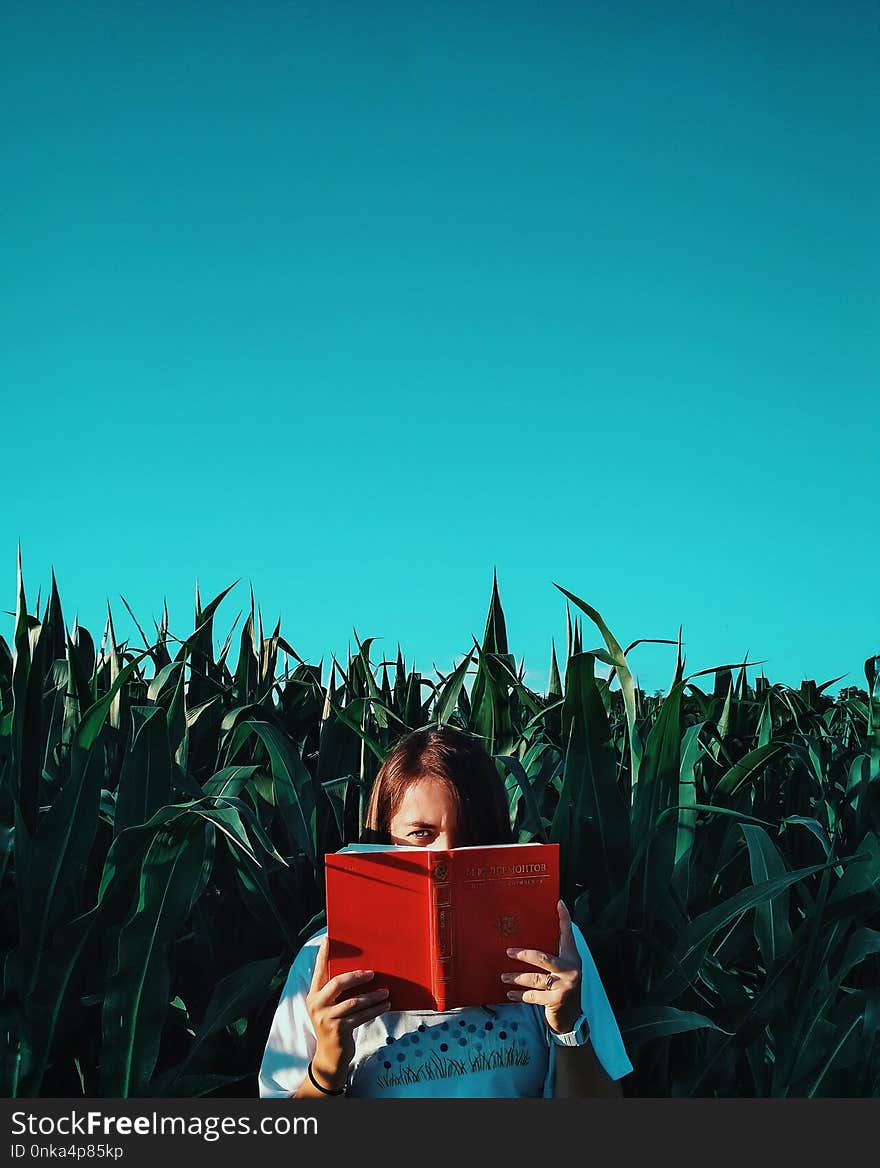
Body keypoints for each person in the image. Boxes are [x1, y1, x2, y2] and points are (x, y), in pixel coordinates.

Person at [259, 726, 633, 1098]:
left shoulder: (552, 945)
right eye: (421, 833)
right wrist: (328, 1064)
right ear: (382, 836)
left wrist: (567, 1027)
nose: (445, 853)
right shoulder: (324, 961)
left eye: (469, 834)